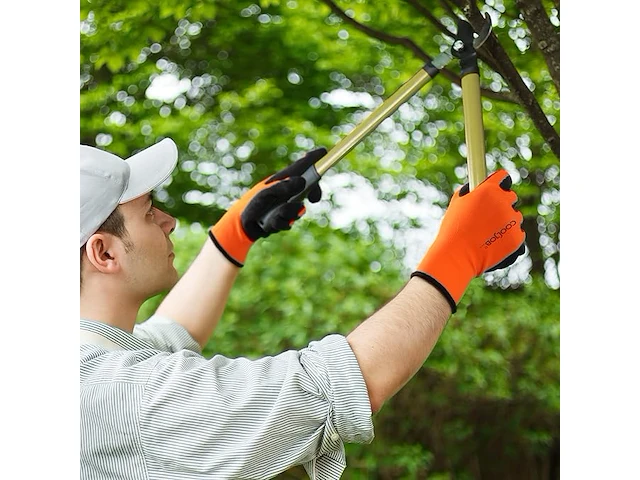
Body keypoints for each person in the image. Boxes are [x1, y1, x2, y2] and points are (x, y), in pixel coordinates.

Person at [80, 137, 525, 479]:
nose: (168, 220)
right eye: (148, 211)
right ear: (104, 254)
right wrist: (458, 254)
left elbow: (173, 332)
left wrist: (235, 232)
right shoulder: (122, 394)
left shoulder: (93, 362)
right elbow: (337, 387)